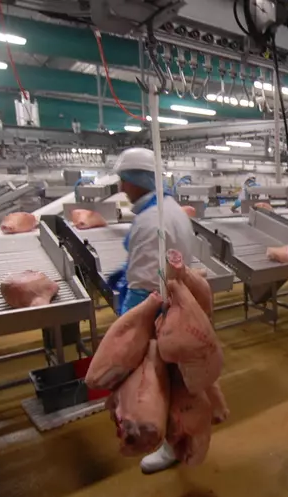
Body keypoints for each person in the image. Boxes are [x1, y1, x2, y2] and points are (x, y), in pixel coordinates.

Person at [105, 147, 195, 474]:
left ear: (139, 182)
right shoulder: (171, 210)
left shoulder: (150, 221)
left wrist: (127, 325)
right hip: (176, 303)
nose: (122, 188)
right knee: (174, 379)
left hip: (160, 312)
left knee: (160, 382)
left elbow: (144, 288)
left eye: (125, 181)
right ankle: (175, 440)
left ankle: (168, 444)